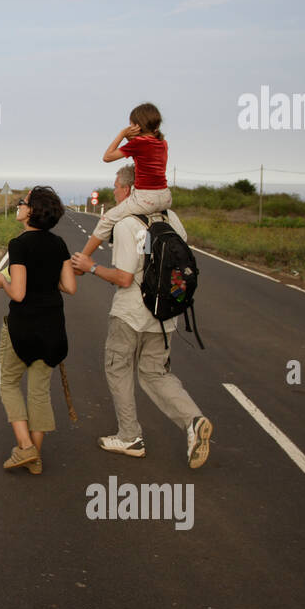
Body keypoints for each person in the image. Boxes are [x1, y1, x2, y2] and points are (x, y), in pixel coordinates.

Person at [71, 164, 212, 468]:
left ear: (131, 190)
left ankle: (130, 436)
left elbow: (123, 278)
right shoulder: (171, 218)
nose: (115, 192)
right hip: (165, 314)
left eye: (117, 187)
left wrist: (90, 267)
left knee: (118, 368)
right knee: (156, 373)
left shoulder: (125, 225)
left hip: (130, 313)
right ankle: (193, 420)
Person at [0, 186, 77, 475]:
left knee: (9, 383)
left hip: (23, 328)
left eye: (23, 202)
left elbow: (18, 292)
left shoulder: (20, 244)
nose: (19, 205)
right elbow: (70, 287)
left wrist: (1, 282)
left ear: (32, 211)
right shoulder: (59, 244)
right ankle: (35, 459)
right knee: (39, 393)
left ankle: (25, 447)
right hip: (53, 328)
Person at [77, 102, 172, 260]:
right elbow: (142, 154)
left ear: (137, 125)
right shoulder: (162, 143)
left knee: (107, 219)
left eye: (130, 125)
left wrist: (121, 134)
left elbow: (107, 157)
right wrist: (131, 139)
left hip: (146, 199)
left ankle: (84, 258)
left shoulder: (138, 144)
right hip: (166, 197)